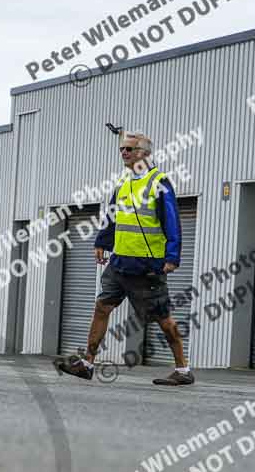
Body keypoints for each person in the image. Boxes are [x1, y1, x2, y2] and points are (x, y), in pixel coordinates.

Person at [57, 131, 194, 386]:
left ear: (145, 153)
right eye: (122, 149)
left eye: (129, 149)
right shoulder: (124, 183)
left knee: (163, 318)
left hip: (147, 264)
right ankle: (87, 364)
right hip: (119, 261)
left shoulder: (159, 182)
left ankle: (183, 370)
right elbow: (112, 216)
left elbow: (172, 220)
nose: (124, 153)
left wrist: (172, 256)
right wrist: (102, 242)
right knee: (102, 307)